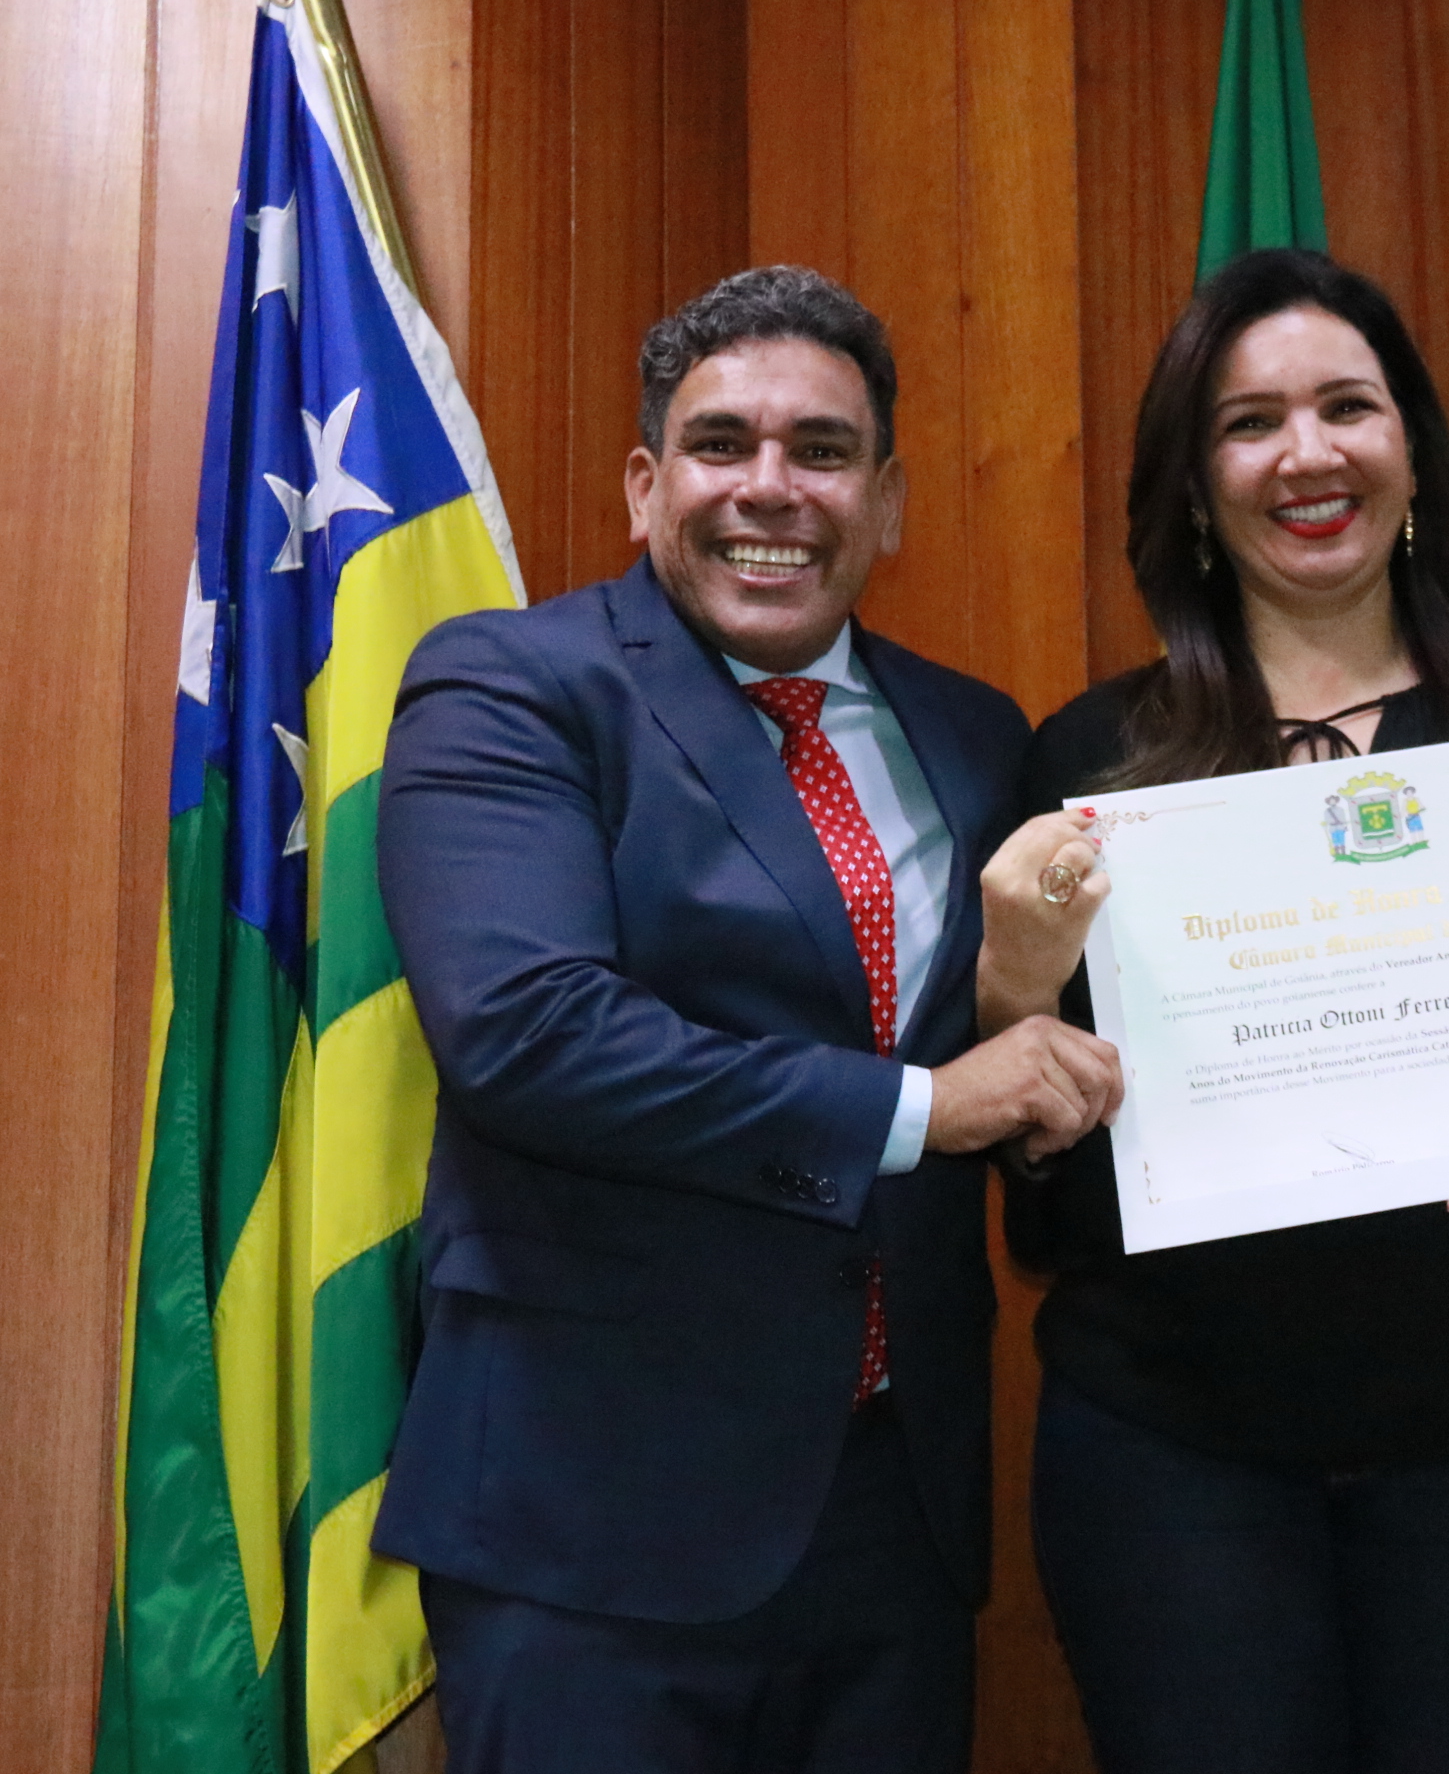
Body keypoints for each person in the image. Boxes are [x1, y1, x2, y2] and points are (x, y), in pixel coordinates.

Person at [373, 265, 1122, 1773]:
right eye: (721, 444)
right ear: (645, 484)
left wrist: (1041, 1101)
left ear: (888, 502)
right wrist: (929, 1110)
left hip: (894, 1515)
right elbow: (530, 1036)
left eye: (822, 451)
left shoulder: (976, 735)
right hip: (592, 1523)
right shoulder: (511, 687)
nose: (769, 488)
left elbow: (1008, 1040)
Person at [988, 247, 1449, 1774]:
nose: (1308, 454)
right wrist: (1013, 985)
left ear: (1411, 451)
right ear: (1193, 483)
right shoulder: (1090, 763)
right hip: (1171, 1459)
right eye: (1250, 422)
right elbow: (1042, 1194)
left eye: (1347, 407)